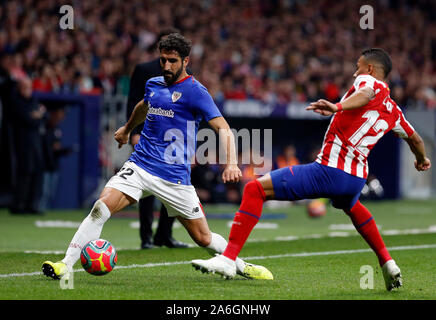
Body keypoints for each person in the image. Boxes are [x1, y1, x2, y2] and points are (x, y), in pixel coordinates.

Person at [192, 48, 432, 291]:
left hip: (331, 170)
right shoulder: (395, 111)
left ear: (370, 69)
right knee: (352, 206)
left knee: (255, 189)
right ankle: (387, 262)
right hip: (356, 178)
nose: (355, 72)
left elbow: (366, 93)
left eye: (358, 66)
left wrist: (338, 107)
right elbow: (416, 140)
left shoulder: (368, 81)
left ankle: (228, 258)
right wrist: (421, 159)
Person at [42, 33, 273, 281]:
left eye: (172, 61)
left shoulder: (197, 92)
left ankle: (240, 265)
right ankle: (65, 265)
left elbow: (224, 128)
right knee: (100, 208)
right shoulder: (154, 84)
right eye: (163, 60)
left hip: (174, 178)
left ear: (186, 61)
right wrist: (127, 129)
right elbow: (143, 106)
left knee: (203, 238)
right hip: (140, 166)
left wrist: (231, 163)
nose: (167, 66)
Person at [127, 28, 189, 249]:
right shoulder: (144, 70)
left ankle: (165, 235)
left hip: (173, 141)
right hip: (148, 137)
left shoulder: (182, 71)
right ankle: (146, 237)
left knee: (173, 186)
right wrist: (133, 133)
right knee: (145, 190)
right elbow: (135, 103)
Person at [9, 77, 46, 214]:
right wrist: (36, 115)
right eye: (25, 87)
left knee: (36, 173)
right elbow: (27, 119)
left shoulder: (33, 101)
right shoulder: (17, 102)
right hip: (23, 144)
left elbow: (43, 115)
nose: (28, 91)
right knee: (24, 174)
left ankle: (32, 205)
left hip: (35, 144)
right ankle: (19, 205)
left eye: (29, 87)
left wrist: (37, 115)